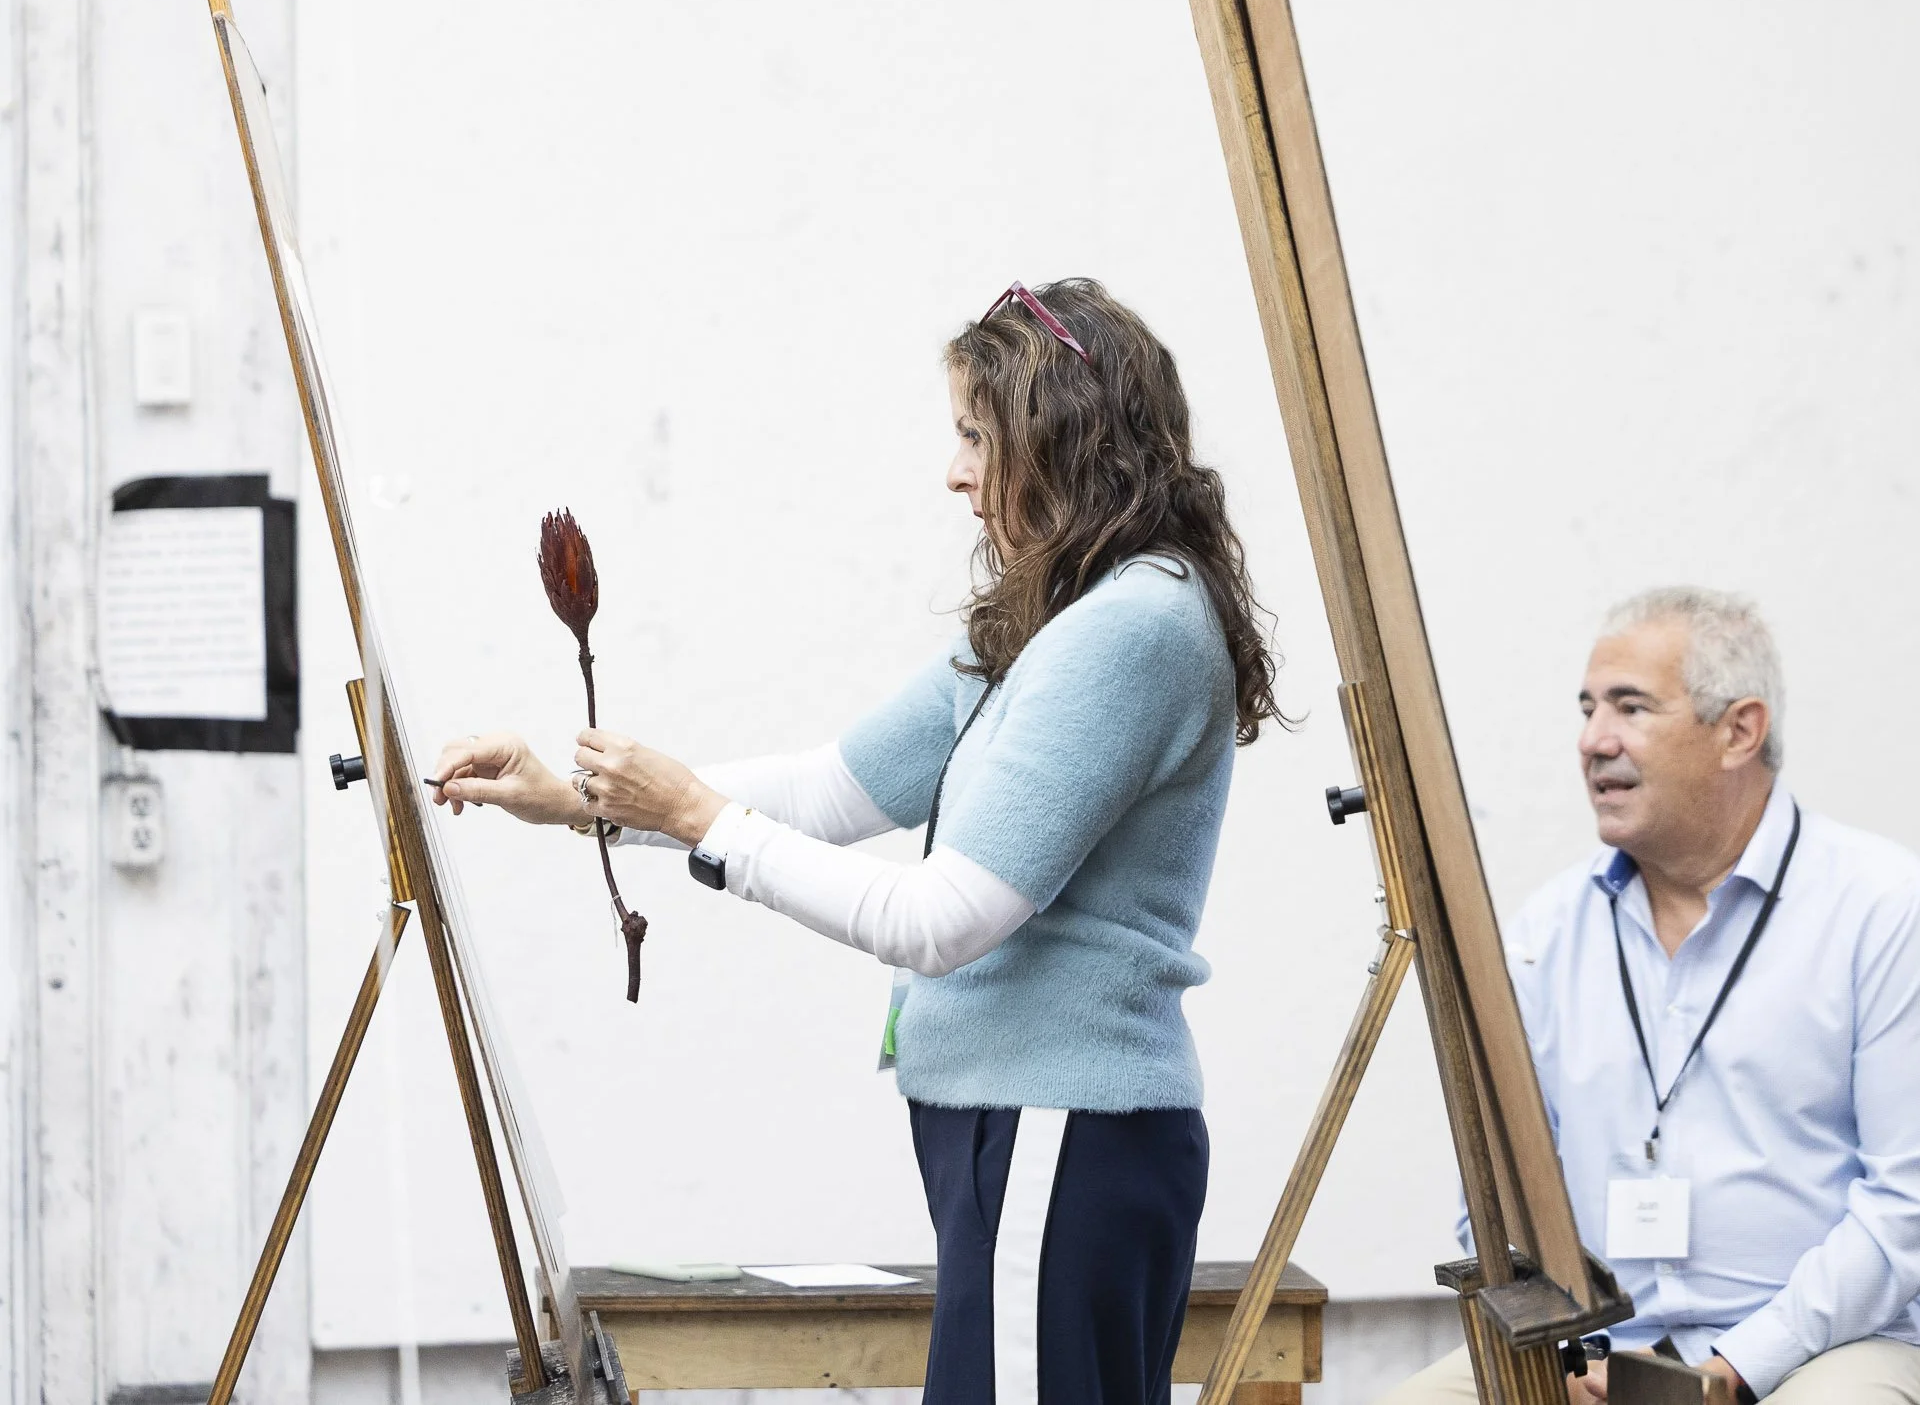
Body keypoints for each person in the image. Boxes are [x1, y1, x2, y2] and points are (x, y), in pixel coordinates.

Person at [431, 278, 1284, 1405]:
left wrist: (700, 822)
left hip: (1059, 1134)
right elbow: (833, 787)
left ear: (1064, 439)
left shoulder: (1133, 627)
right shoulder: (1061, 619)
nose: (956, 472)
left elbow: (943, 920)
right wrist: (575, 797)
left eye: (978, 436)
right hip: (1029, 1135)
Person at [1380, 588, 1920, 1405]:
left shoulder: (1883, 909)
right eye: (1589, 708)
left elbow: (1912, 1208)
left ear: (1739, 730)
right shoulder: (1546, 932)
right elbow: (1495, 1201)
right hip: (1598, 1351)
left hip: (1836, 1349)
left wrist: (1737, 1367)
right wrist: (1565, 1350)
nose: (1594, 741)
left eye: (1631, 708)